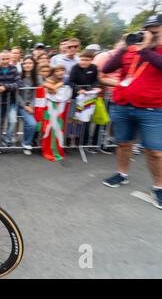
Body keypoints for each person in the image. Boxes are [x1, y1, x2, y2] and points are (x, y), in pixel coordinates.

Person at [101, 14, 162, 209]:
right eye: (148, 31)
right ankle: (122, 174)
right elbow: (108, 67)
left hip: (152, 109)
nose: (150, 35)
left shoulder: (153, 51)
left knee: (155, 151)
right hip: (123, 105)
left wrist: (145, 49)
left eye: (155, 32)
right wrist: (123, 49)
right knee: (123, 143)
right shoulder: (132, 50)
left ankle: (159, 187)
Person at [69, 50, 101, 151]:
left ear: (91, 60)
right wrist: (78, 90)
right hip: (75, 97)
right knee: (72, 118)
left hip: (88, 98)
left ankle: (79, 138)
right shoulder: (75, 67)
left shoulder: (94, 68)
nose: (84, 62)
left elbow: (96, 80)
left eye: (87, 60)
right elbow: (71, 81)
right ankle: (69, 138)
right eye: (82, 59)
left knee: (81, 120)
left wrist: (93, 88)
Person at [0, 50, 22, 153]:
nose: (5, 61)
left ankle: (7, 141)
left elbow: (18, 83)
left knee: (13, 121)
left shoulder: (14, 69)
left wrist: (4, 87)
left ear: (10, 59)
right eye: (3, 59)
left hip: (11, 101)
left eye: (7, 59)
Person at [17, 56, 40, 155]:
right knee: (32, 123)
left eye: (30, 63)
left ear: (34, 65)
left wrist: (32, 106)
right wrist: (24, 106)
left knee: (32, 124)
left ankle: (27, 142)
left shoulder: (37, 78)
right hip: (21, 105)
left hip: (32, 106)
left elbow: (36, 93)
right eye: (25, 63)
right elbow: (16, 94)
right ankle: (27, 143)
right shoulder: (18, 77)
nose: (27, 65)